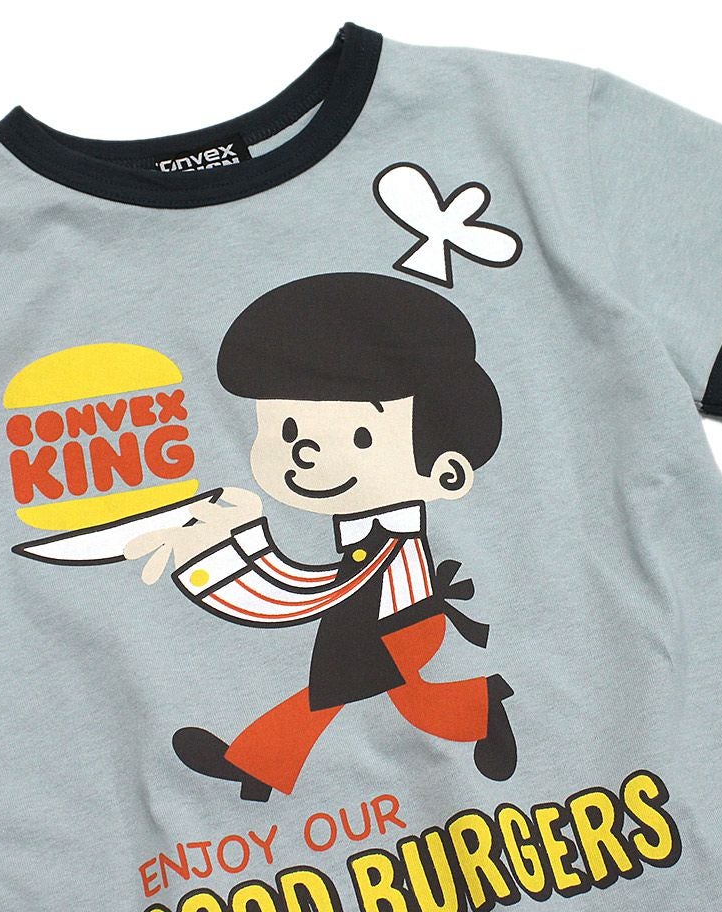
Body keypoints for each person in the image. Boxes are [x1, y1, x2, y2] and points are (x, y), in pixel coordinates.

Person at [126, 272, 516, 800]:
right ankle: (481, 708)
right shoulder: (361, 535)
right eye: (287, 430)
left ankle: (258, 764)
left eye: (360, 436)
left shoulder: (389, 541)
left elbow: (312, 590)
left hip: (404, 621)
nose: (304, 452)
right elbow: (313, 586)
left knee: (327, 697)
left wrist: (226, 561)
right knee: (402, 702)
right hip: (374, 616)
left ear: (445, 475)